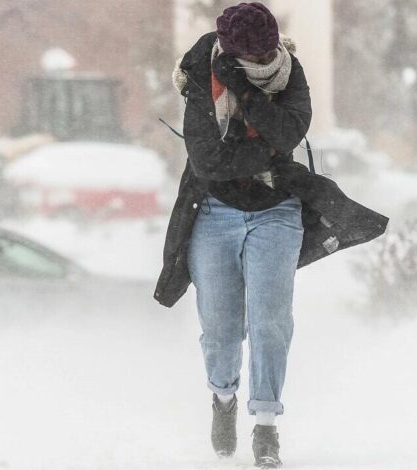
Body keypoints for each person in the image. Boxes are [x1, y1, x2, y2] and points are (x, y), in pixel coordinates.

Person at [154, 2, 388, 468]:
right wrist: (270, 156)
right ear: (231, 51)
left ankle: (265, 425)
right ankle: (223, 398)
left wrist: (244, 90)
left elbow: (287, 133)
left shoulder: (289, 71)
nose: (264, 63)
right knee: (221, 329)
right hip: (213, 211)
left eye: (268, 54)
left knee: (270, 321)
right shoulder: (202, 72)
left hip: (277, 211)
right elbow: (208, 162)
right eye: (253, 59)